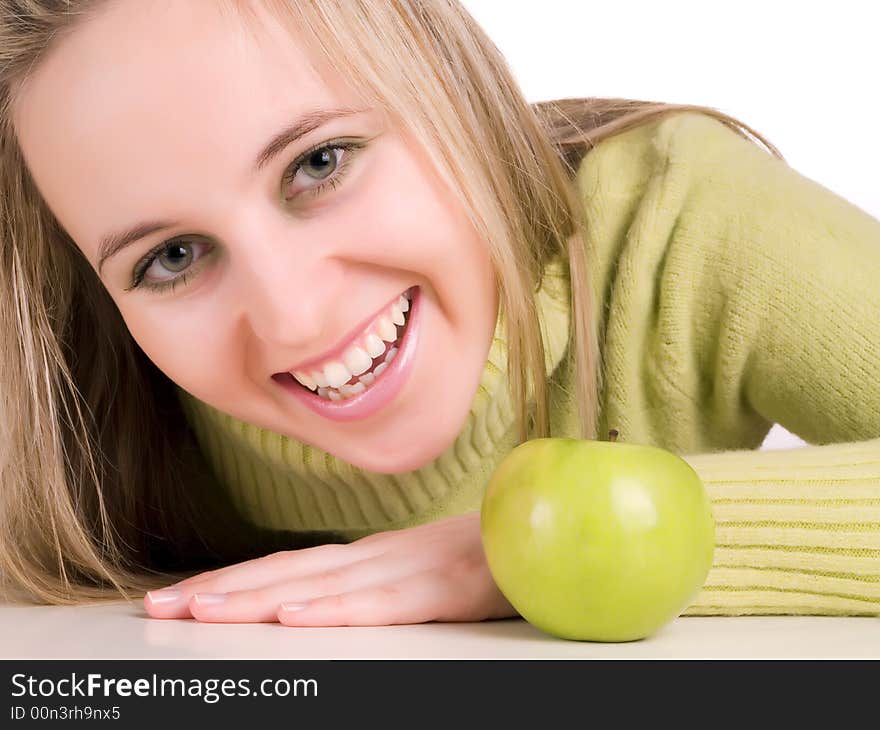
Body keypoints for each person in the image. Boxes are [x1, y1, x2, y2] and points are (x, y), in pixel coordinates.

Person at [1, 0, 878, 628]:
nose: (295, 319)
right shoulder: (70, 409)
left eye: (320, 163)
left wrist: (534, 545)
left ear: (448, 81)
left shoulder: (684, 217)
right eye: (172, 258)